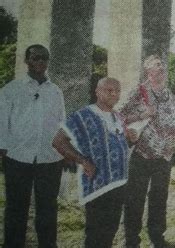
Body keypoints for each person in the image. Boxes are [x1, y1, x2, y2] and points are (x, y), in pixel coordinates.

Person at [52, 77, 138, 248]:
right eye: (109, 90)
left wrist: (130, 139)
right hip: (98, 185)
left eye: (117, 91)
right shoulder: (83, 115)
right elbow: (58, 141)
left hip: (119, 183)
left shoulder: (117, 116)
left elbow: (113, 143)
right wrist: (83, 160)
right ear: (97, 92)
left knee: (109, 232)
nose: (114, 94)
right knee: (95, 235)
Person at [0, 44, 65, 248]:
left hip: (49, 159)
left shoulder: (55, 91)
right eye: (36, 58)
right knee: (16, 208)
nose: (41, 62)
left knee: (48, 209)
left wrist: (64, 152)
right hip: (18, 157)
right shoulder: (12, 89)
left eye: (44, 58)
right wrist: (4, 151)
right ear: (27, 61)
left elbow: (61, 123)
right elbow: (2, 122)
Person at [120, 55, 175, 248]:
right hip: (141, 154)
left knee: (159, 198)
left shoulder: (169, 94)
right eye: (156, 66)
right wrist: (143, 114)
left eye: (163, 66)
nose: (161, 69)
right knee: (135, 198)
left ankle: (157, 237)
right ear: (148, 72)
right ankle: (131, 241)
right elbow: (119, 115)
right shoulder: (139, 91)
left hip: (164, 156)